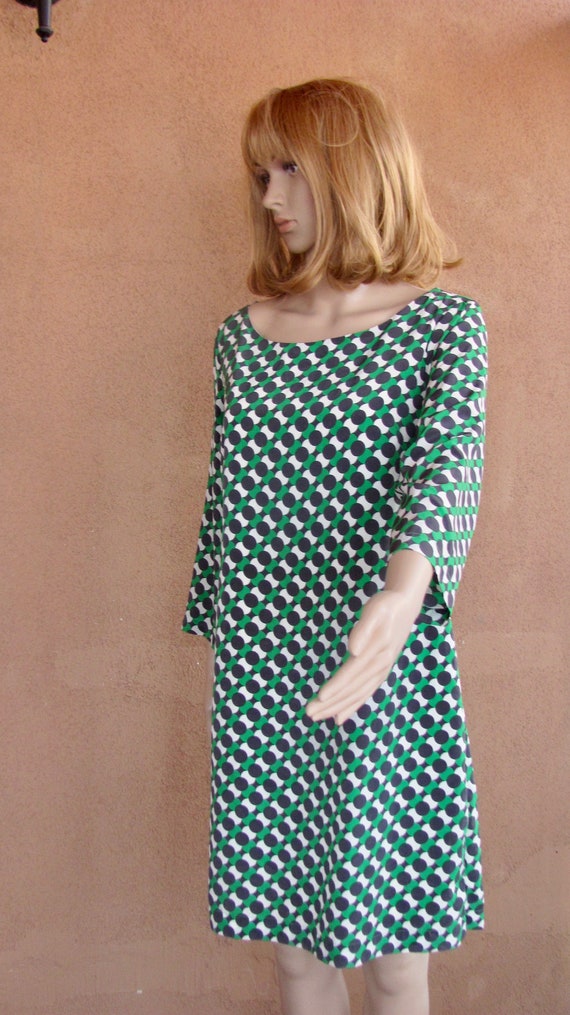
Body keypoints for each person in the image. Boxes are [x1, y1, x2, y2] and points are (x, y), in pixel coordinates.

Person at [183, 78, 487, 1015]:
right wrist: (222, 621)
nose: (270, 196)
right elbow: (228, 498)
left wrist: (404, 594)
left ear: (353, 170)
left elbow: (449, 465)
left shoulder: (443, 325)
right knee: (296, 955)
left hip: (384, 664)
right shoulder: (242, 340)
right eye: (260, 175)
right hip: (265, 667)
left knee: (396, 960)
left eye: (289, 169)